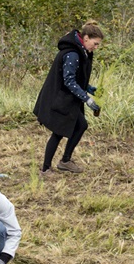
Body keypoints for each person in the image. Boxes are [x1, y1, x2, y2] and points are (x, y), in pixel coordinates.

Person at [34, 19, 104, 175]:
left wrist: (91, 89)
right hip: (60, 98)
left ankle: (65, 161)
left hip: (69, 99)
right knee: (59, 132)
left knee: (81, 125)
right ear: (86, 38)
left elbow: (78, 78)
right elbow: (69, 81)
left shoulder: (82, 51)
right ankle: (45, 169)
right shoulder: (73, 54)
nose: (96, 47)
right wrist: (87, 99)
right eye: (95, 43)